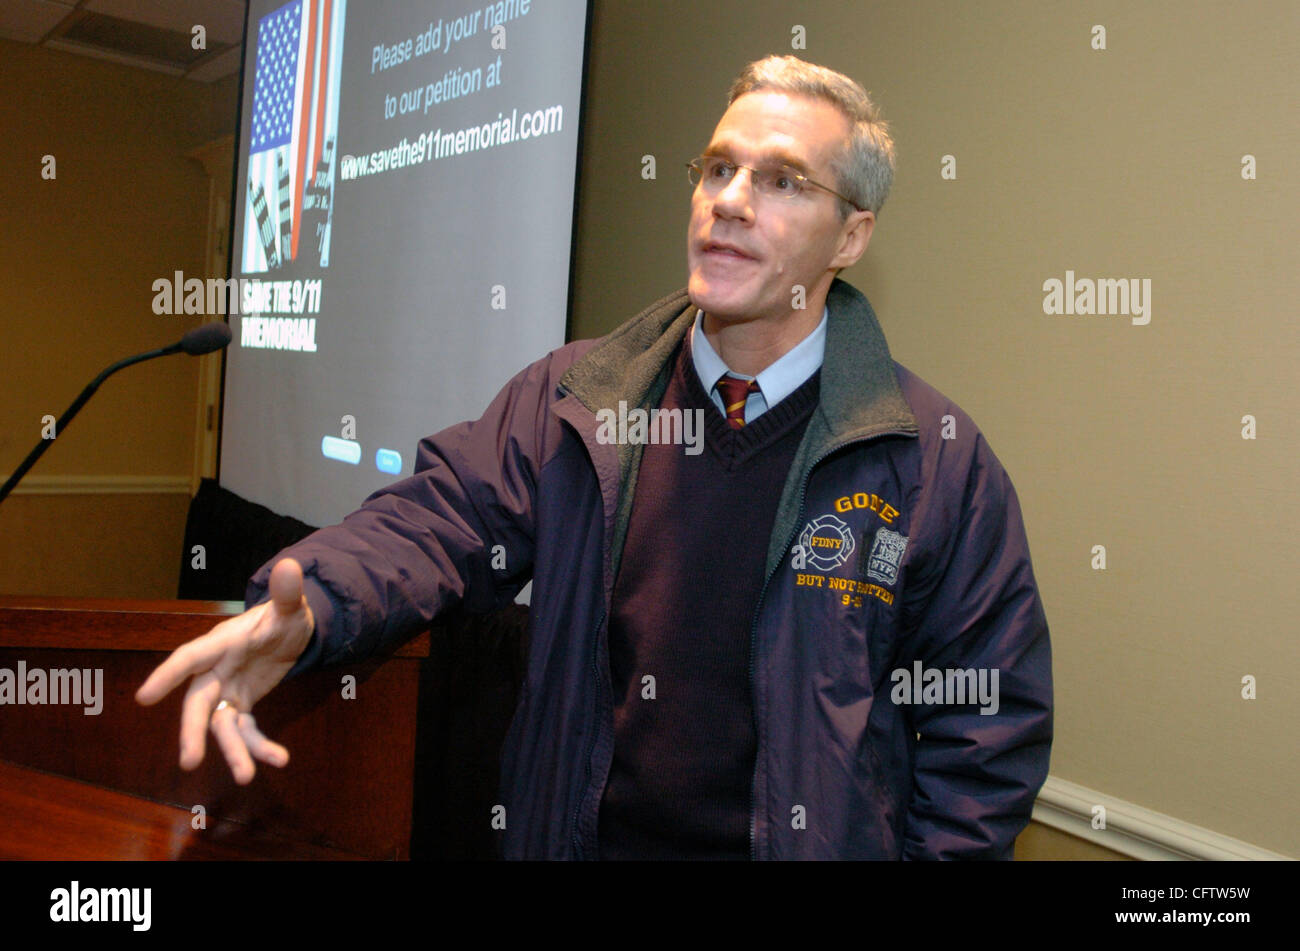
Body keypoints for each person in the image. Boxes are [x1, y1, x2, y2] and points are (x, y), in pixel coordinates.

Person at [137, 55, 1052, 860]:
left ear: (850, 237)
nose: (730, 200)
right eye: (720, 169)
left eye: (781, 182)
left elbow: (987, 726)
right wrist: (318, 604)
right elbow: (439, 516)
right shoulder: (578, 399)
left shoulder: (931, 458)